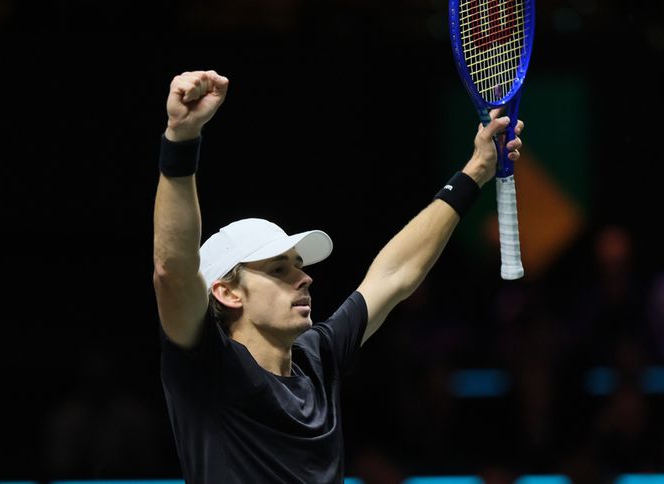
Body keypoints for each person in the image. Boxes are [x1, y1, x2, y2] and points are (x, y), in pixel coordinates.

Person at [151, 70, 524, 483]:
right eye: (278, 269)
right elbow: (173, 272)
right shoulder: (208, 367)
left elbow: (394, 273)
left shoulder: (317, 357)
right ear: (225, 292)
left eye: (298, 265)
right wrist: (181, 140)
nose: (304, 278)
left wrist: (473, 172)